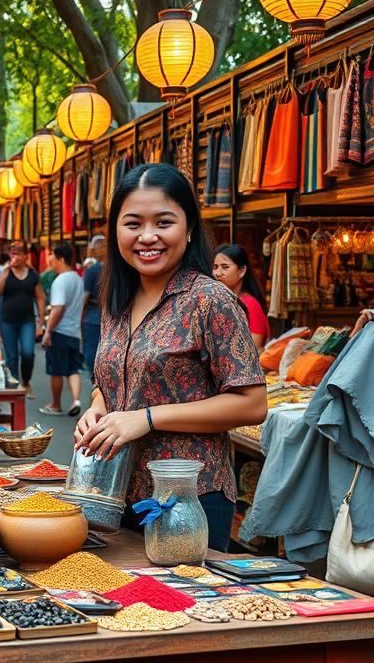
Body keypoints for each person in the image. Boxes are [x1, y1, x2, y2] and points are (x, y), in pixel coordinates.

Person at [74, 163, 267, 552]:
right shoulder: (117, 302)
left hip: (189, 497)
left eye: (163, 222)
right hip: (112, 492)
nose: (148, 236)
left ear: (189, 227)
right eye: (133, 224)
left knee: (187, 609)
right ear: (116, 231)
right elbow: (114, 379)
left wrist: (146, 419)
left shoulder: (210, 300)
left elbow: (253, 403)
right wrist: (97, 407)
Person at [0, 241, 46, 398]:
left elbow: (40, 298)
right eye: (12, 253)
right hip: (7, 321)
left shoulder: (33, 274)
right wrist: (5, 272)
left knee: (28, 352)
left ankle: (26, 381)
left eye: (17, 253)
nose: (14, 256)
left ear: (25, 256)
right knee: (12, 356)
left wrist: (41, 321)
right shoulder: (5, 272)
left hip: (27, 321)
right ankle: (15, 387)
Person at [40, 244, 85, 417]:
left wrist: (48, 330)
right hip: (74, 331)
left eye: (52, 256)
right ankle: (76, 401)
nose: (50, 260)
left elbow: (58, 308)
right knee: (73, 368)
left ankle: (56, 404)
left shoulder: (60, 280)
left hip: (60, 331)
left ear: (61, 259)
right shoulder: (77, 278)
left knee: (56, 369)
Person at [212, 243, 270, 350]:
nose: (218, 273)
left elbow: (254, 347)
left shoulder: (250, 304)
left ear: (242, 271)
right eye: (215, 267)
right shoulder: (218, 302)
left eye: (225, 267)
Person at [82, 234, 106, 380]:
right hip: (110, 316)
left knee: (90, 352)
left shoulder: (92, 270)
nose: (93, 252)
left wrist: (79, 319)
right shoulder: (117, 267)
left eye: (94, 249)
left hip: (92, 318)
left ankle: (95, 380)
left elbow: (84, 298)